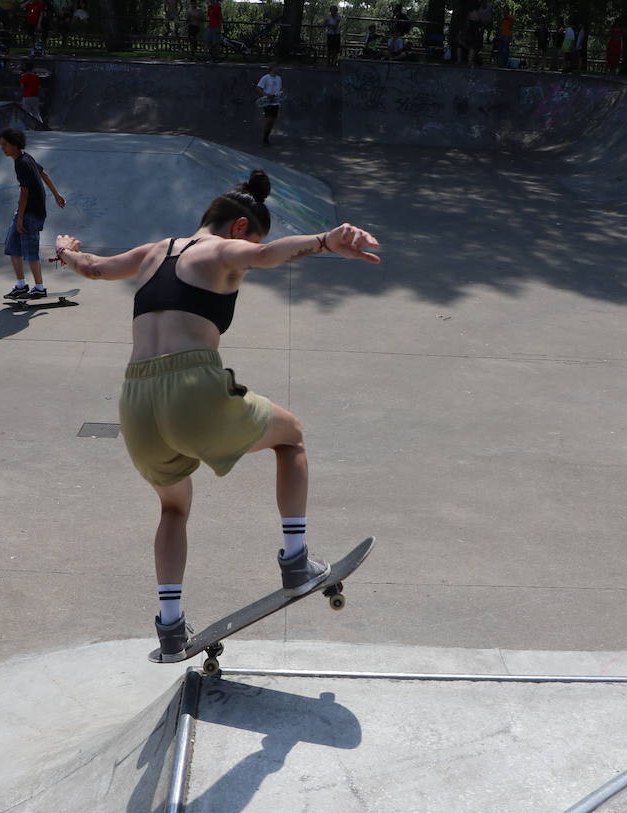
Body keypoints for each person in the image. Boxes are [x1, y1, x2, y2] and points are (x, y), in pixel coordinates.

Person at [50, 170, 381, 660]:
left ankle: (169, 627)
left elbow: (93, 268)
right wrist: (325, 241)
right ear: (240, 227)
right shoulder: (223, 250)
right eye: (252, 238)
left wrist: (66, 251)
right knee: (291, 438)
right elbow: (267, 256)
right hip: (191, 390)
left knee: (173, 507)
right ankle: (295, 560)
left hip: (136, 404)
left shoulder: (152, 251)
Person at [0, 127, 66, 299]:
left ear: (14, 145)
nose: (2, 148)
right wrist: (56, 194)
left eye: (5, 144)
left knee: (30, 251)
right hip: (27, 212)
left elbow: (25, 193)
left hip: (32, 213)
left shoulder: (22, 163)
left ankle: (40, 287)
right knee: (13, 247)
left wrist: (20, 217)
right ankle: (21, 285)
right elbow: (44, 174)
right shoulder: (24, 157)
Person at [257, 64, 281, 145]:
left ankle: (267, 136)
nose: (278, 69)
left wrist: (280, 94)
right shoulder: (265, 77)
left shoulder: (279, 78)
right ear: (272, 68)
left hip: (276, 102)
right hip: (268, 101)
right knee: (269, 120)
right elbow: (259, 88)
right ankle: (265, 139)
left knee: (272, 121)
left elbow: (279, 89)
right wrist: (266, 94)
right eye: (276, 67)